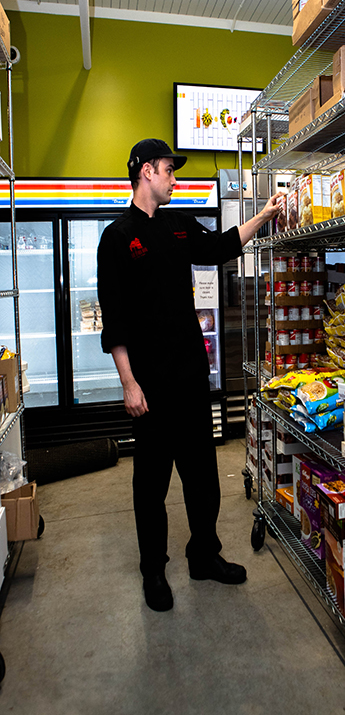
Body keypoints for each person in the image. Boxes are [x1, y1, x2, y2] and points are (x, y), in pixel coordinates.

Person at [97, 138, 278, 612]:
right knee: (151, 484)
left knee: (202, 476)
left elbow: (220, 247)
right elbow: (113, 318)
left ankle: (204, 555)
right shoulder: (117, 237)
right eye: (168, 169)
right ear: (145, 172)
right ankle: (152, 570)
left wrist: (265, 215)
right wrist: (128, 383)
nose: (175, 177)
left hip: (192, 377)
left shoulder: (179, 225)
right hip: (150, 387)